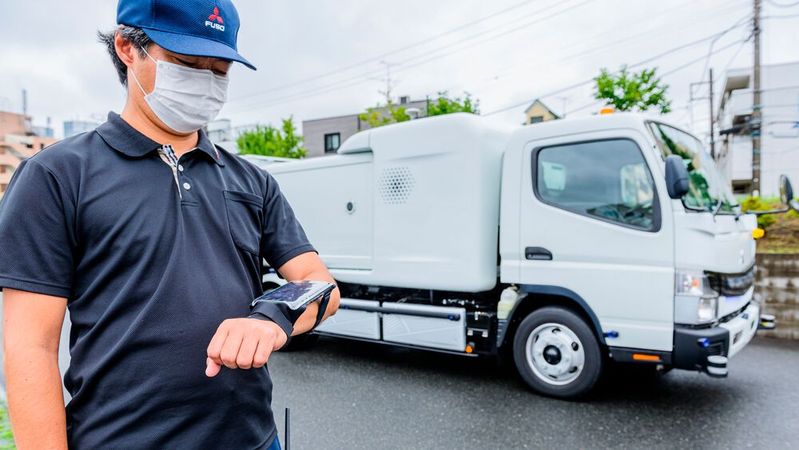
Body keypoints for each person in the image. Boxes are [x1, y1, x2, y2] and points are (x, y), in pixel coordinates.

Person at [0, 0, 339, 448]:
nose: (205, 82)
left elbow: (320, 285)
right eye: (185, 63)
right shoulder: (58, 175)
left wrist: (270, 318)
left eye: (219, 70)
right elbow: (30, 349)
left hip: (254, 439)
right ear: (127, 47)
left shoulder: (252, 180)